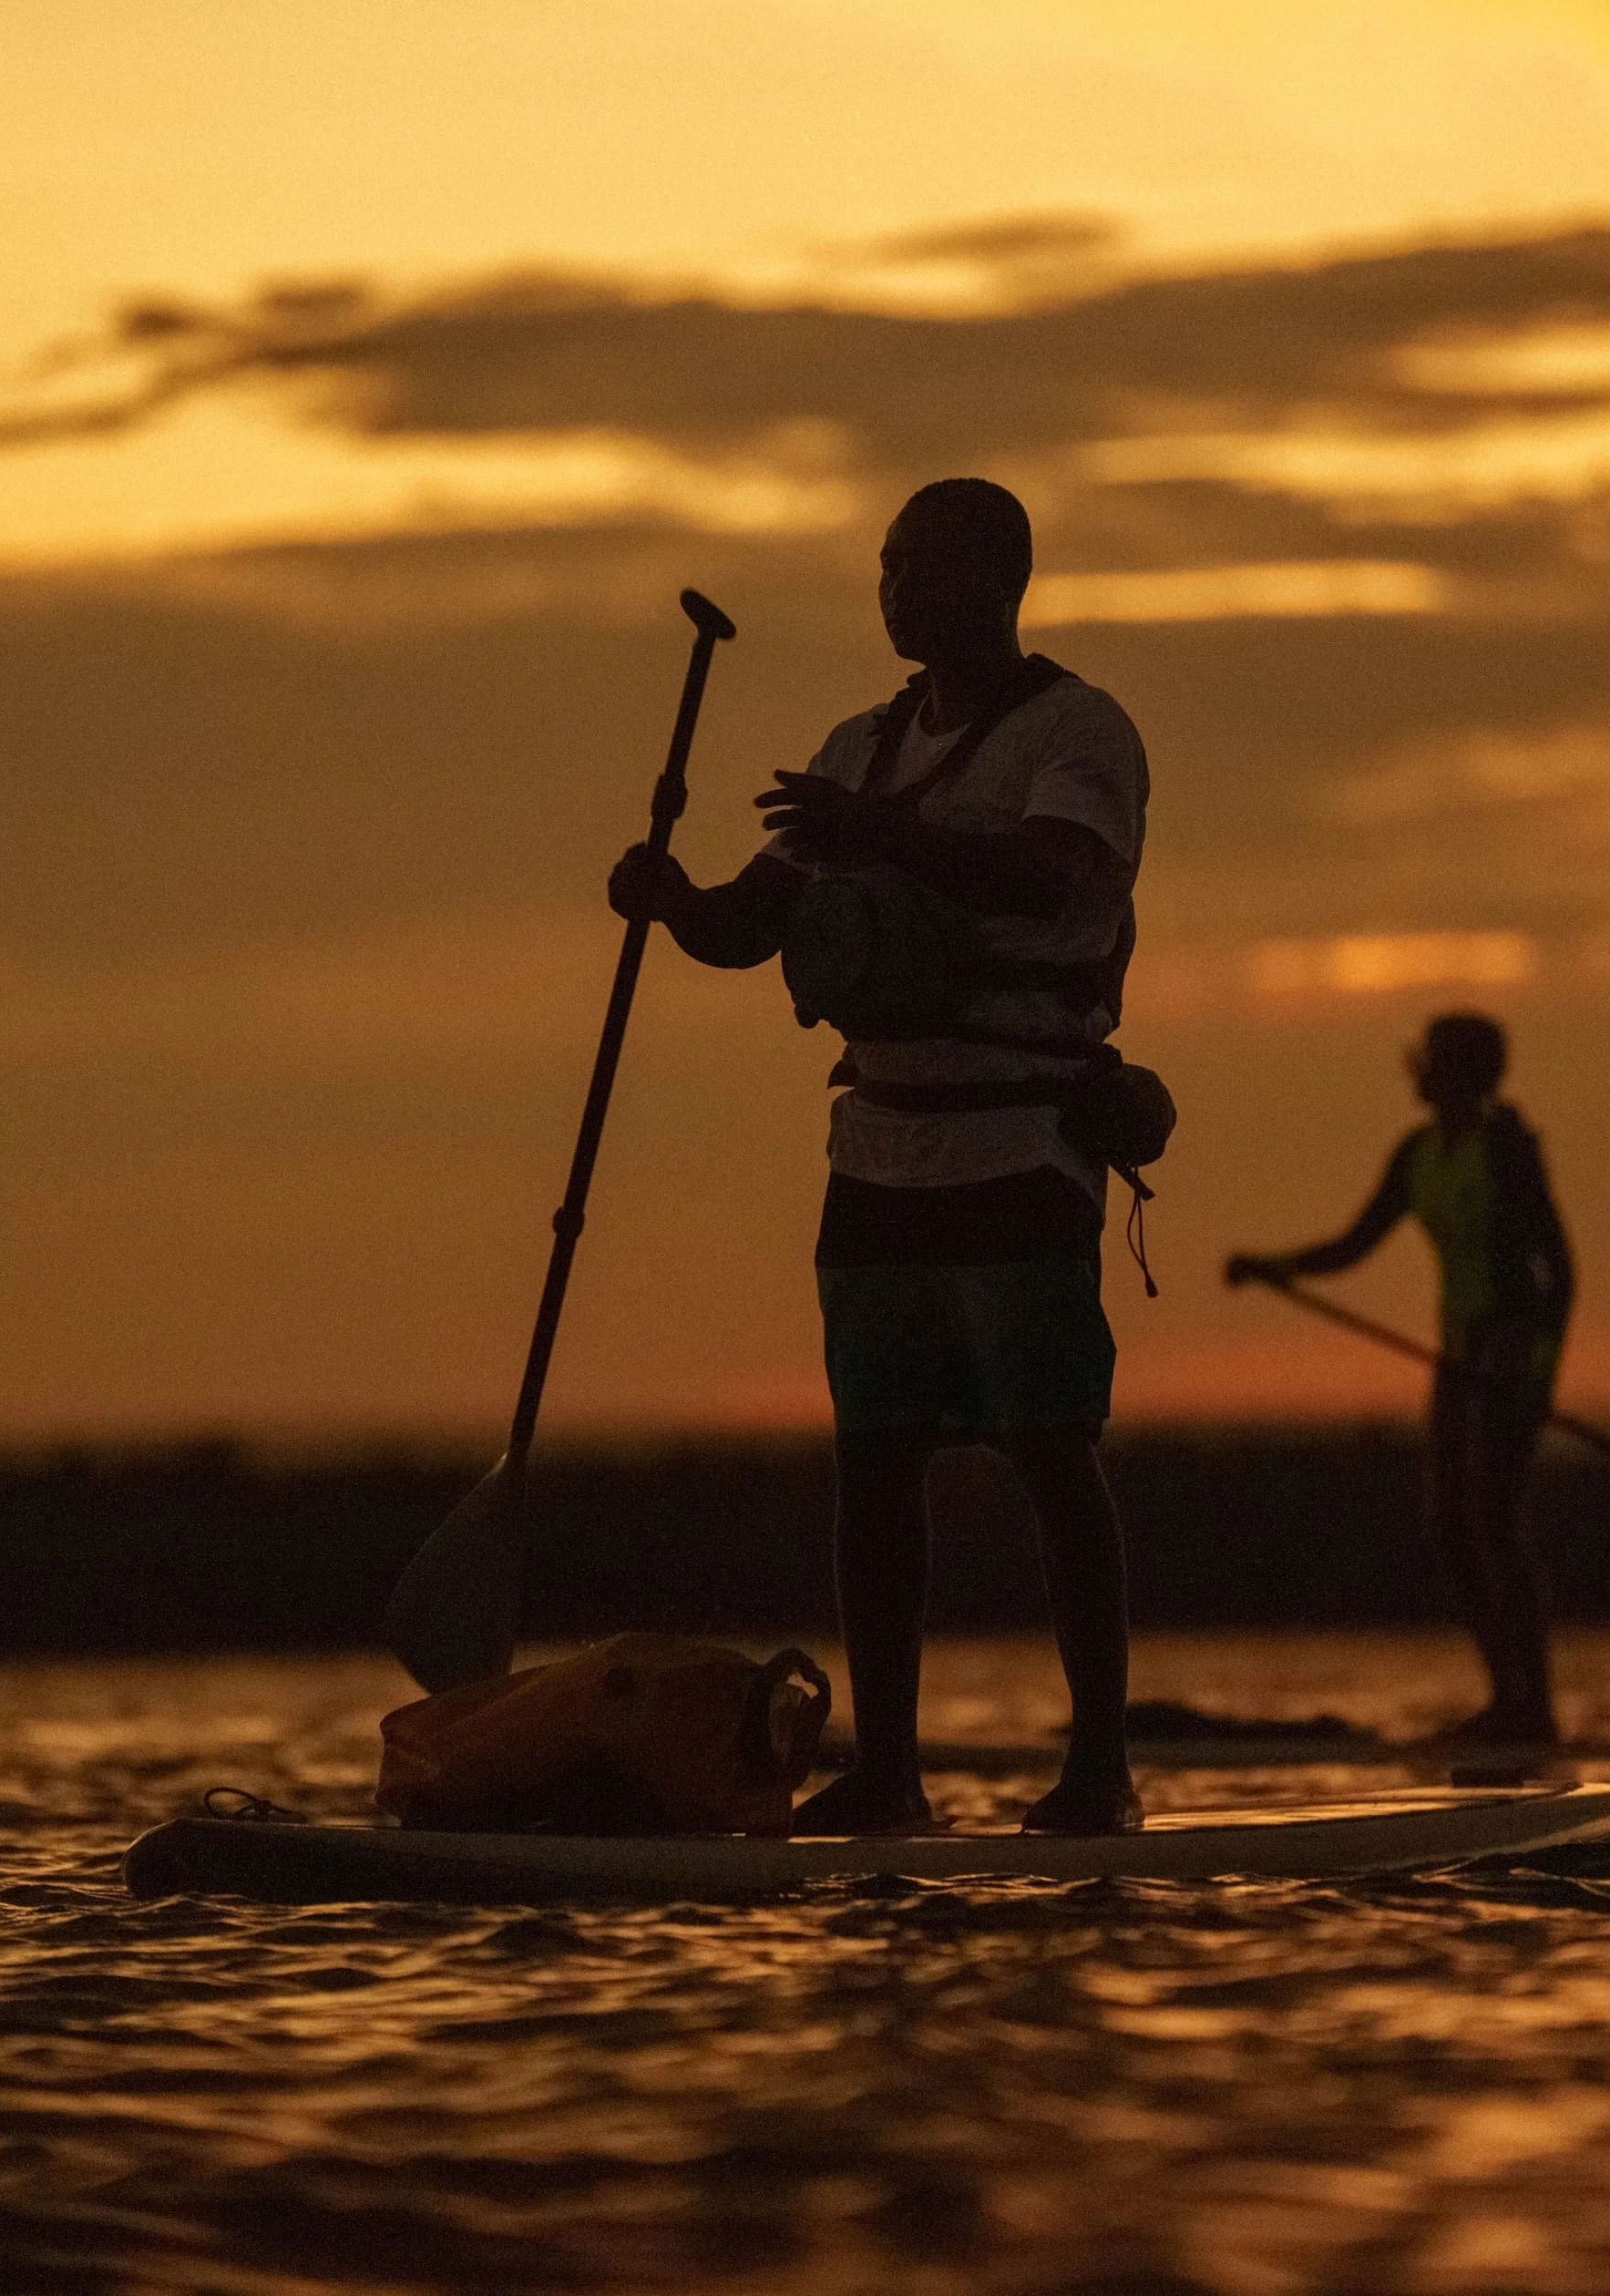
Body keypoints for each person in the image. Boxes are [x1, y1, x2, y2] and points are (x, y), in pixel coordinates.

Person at [606, 477, 1150, 1836]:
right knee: (875, 1461)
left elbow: (1052, 881)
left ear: (997, 579)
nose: (895, 591)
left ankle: (1098, 1768)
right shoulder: (854, 748)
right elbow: (758, 923)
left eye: (921, 566)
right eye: (888, 567)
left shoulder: (1077, 732)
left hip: (1022, 1136)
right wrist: (671, 902)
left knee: (1046, 1451)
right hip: (881, 1149)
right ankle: (890, 1772)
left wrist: (886, 837)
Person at [1226, 1013, 1575, 1745]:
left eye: (1433, 1060)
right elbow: (1356, 1241)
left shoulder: (1507, 1150)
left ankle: (1531, 1705)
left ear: (1463, 1072)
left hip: (1507, 1357)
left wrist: (1536, 1373)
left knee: (1496, 1522)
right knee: (1451, 1526)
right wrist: (1274, 1267)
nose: (1418, 1069)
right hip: (1456, 1358)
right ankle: (1506, 1698)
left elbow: (1559, 1272)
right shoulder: (1417, 1153)